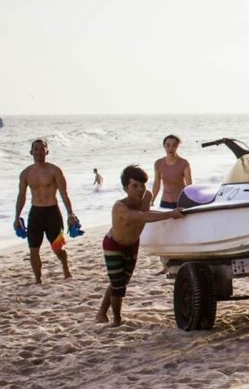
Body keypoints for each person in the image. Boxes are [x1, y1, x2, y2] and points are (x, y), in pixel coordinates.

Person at [98, 165, 183, 326]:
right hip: (113, 245)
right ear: (125, 188)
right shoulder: (119, 208)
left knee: (121, 281)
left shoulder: (147, 196)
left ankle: (101, 312)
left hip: (132, 244)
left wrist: (172, 214)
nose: (140, 189)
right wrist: (170, 214)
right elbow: (142, 216)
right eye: (134, 186)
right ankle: (117, 320)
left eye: (142, 185)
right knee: (118, 285)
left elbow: (150, 213)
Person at [14, 138, 77, 284]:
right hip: (35, 213)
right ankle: (38, 279)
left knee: (57, 248)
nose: (38, 151)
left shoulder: (54, 170)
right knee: (33, 249)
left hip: (52, 213)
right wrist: (17, 217)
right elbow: (21, 196)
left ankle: (66, 268)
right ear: (31, 152)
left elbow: (64, 193)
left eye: (42, 149)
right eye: (35, 149)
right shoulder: (25, 174)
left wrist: (70, 213)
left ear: (47, 151)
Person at [151, 134, 192, 209]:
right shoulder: (158, 163)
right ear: (164, 146)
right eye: (168, 145)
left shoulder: (184, 163)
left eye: (174, 145)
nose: (171, 148)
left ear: (177, 147)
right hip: (165, 202)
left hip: (181, 202)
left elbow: (189, 186)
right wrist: (152, 200)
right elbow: (156, 184)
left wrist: (190, 202)